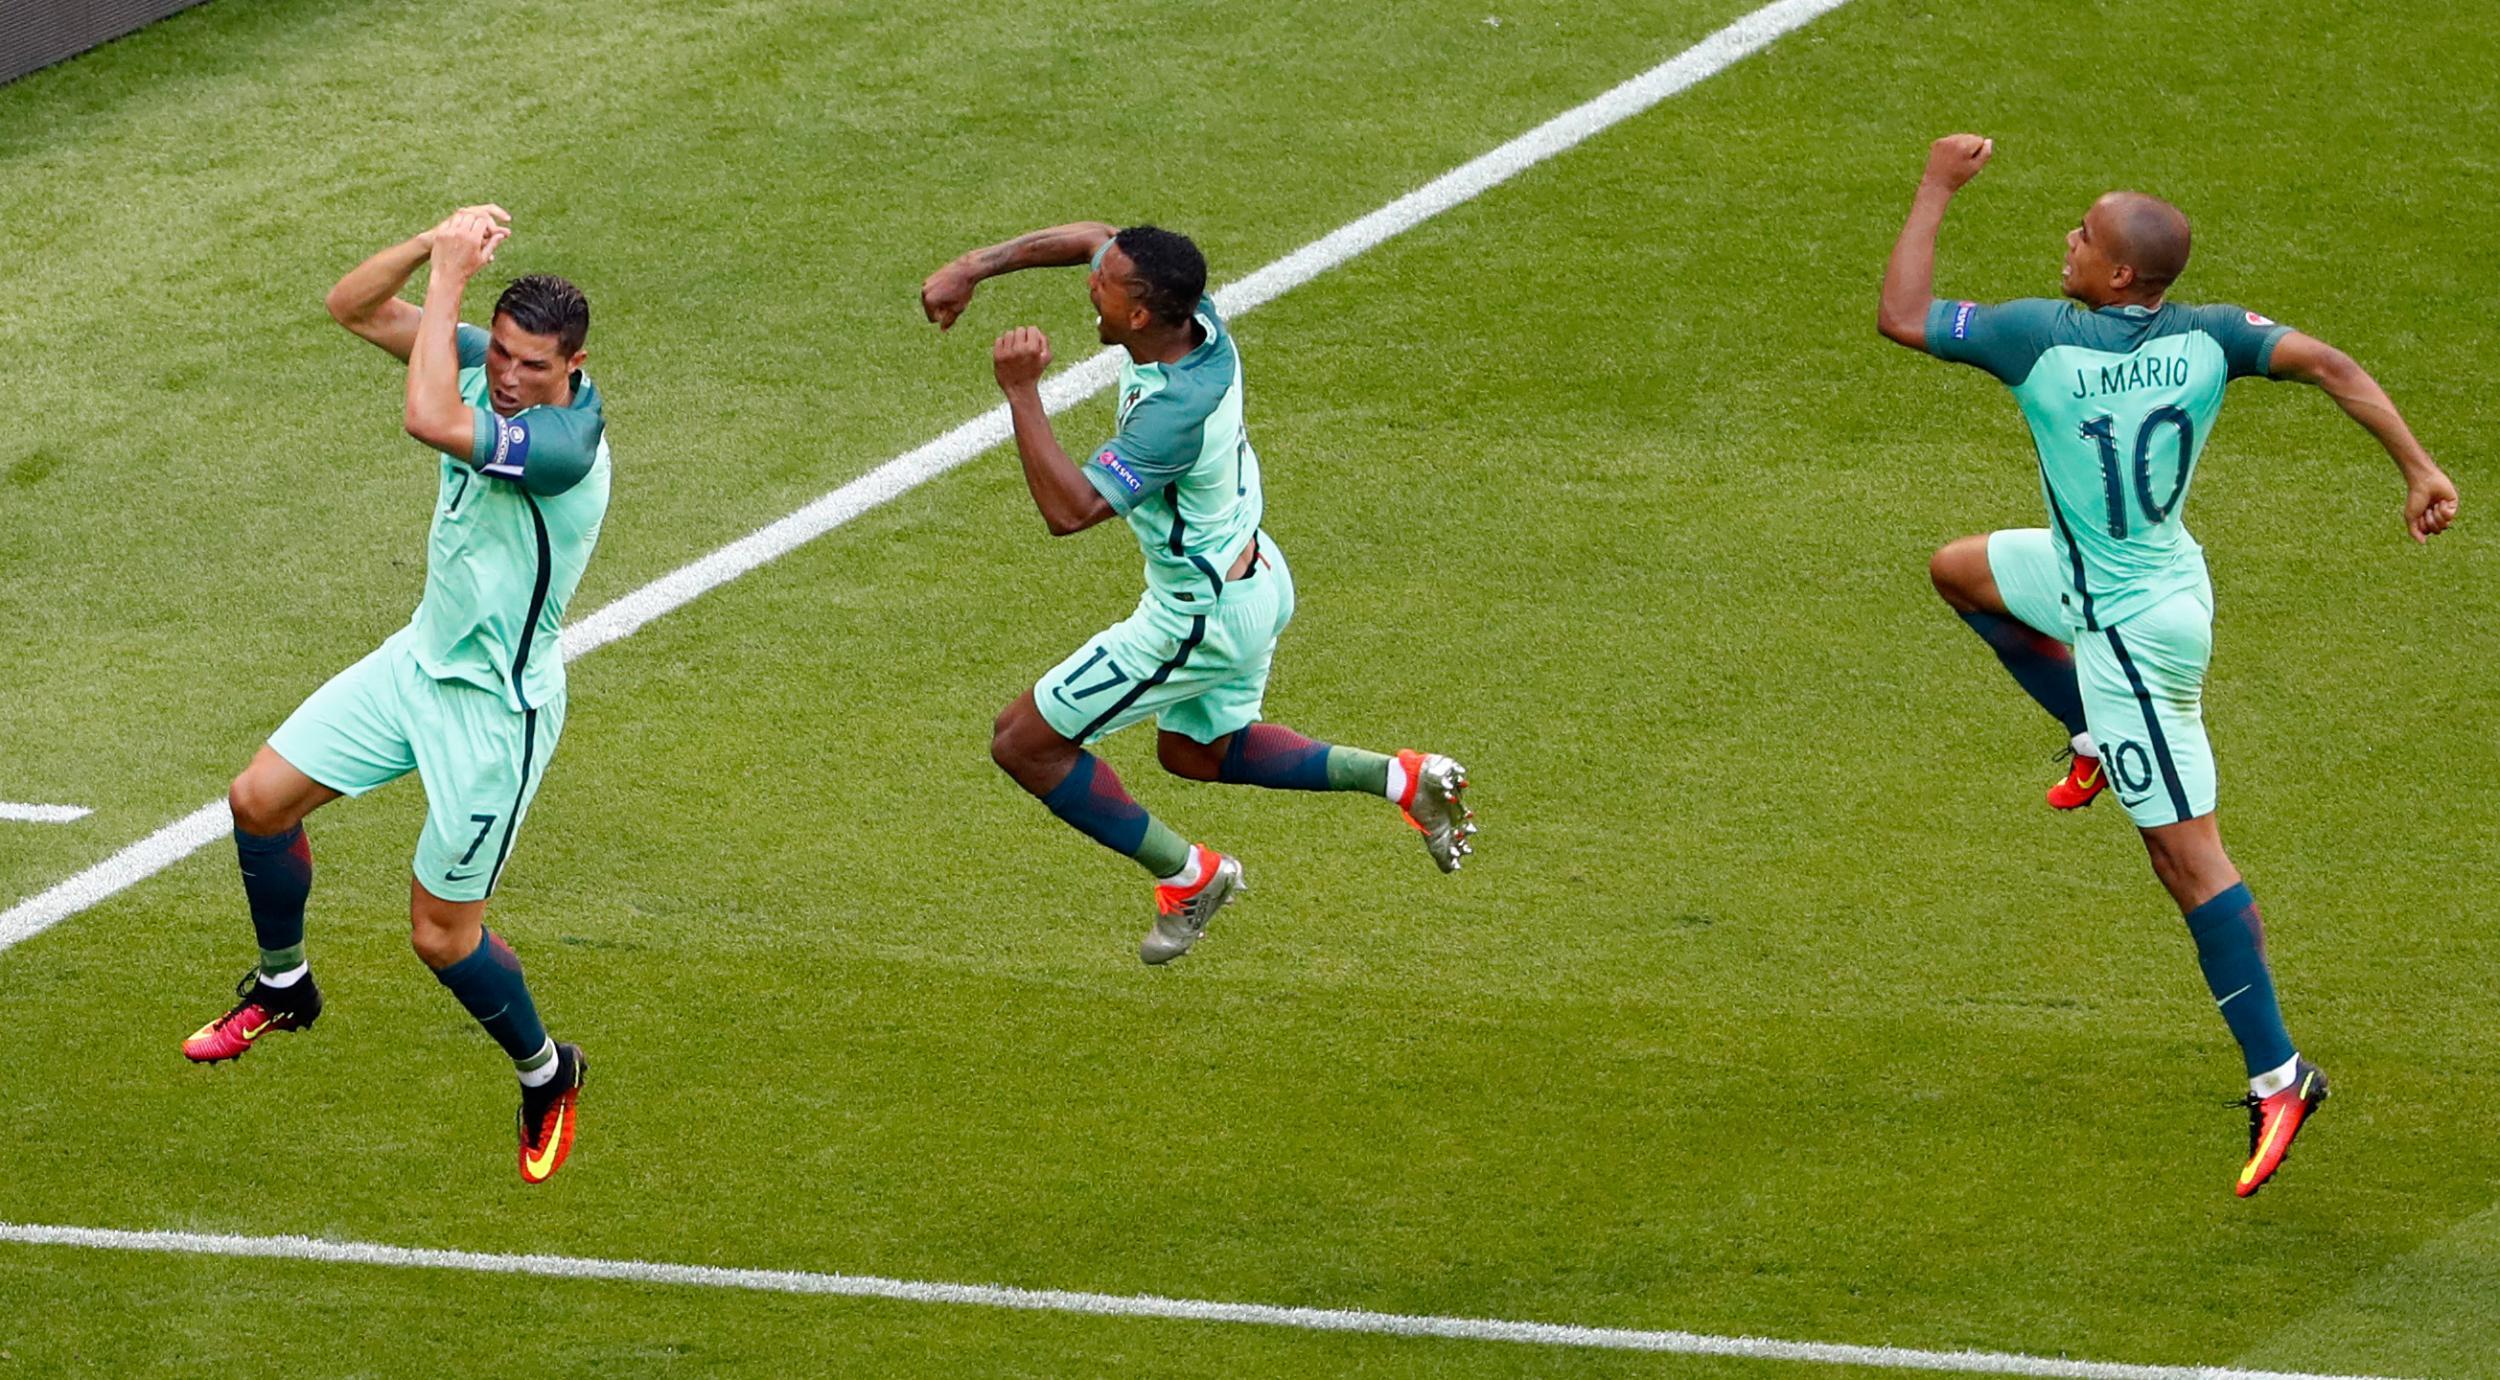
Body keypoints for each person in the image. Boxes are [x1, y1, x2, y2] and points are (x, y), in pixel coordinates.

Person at [1880, 135, 2459, 1196]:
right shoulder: (2209, 338)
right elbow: (2331, 364)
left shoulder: (2034, 340)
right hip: (2144, 574)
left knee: (2187, 861)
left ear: (2114, 277)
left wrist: (1935, 187)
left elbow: (1903, 317)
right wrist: (2417, 466)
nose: (2067, 238)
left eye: (2083, 235)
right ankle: (2091, 732)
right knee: (1960, 571)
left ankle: (2280, 1074)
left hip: (2129, 635)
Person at [182, 206, 613, 1185]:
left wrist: (453, 281)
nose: (508, 374)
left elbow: (428, 419)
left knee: (438, 934)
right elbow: (352, 305)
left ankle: (547, 1071)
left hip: (494, 715)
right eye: (499, 354)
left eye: (531, 365)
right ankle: (285, 986)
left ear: (575, 364)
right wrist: (431, 244)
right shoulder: (482, 361)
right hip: (417, 662)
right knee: (258, 800)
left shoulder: (564, 444)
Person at [920, 221, 1474, 964]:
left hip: (1196, 615)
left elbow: (1070, 511)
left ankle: (1191, 876)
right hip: (1257, 576)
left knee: (1023, 743)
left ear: (1142, 316)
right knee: (1196, 751)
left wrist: (1022, 392)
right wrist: (973, 268)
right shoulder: (1195, 319)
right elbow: (1095, 235)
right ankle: (1403, 780)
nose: (1092, 283)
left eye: (1104, 287)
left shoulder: (1173, 415)